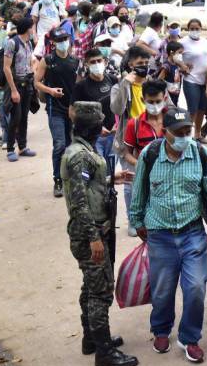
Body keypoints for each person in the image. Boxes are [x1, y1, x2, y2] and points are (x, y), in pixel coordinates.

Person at [128, 107, 207, 364]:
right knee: (162, 290)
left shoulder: (202, 155)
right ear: (165, 133)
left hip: (192, 233)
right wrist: (137, 221)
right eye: (179, 133)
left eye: (188, 131)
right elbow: (138, 191)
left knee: (195, 287)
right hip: (159, 234)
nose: (185, 137)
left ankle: (189, 337)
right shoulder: (149, 155)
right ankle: (161, 330)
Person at [61, 101, 138, 366]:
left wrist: (110, 180)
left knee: (91, 285)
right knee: (100, 291)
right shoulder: (79, 156)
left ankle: (92, 338)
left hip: (95, 229)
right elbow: (78, 202)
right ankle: (104, 352)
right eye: (100, 124)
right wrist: (94, 237)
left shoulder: (83, 150)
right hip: (89, 233)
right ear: (93, 126)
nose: (104, 128)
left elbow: (86, 185)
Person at [110, 45, 150, 235]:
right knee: (129, 182)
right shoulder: (120, 86)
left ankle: (148, 217)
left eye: (146, 63)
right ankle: (133, 220)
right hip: (128, 142)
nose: (144, 66)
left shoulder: (152, 84)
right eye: (140, 63)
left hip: (150, 140)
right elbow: (116, 109)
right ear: (130, 65)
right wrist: (126, 83)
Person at [35, 28, 78, 197]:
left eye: (65, 39)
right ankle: (58, 179)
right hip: (55, 109)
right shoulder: (47, 60)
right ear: (53, 42)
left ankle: (71, 177)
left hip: (72, 109)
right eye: (59, 40)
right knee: (59, 144)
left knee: (72, 144)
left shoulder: (75, 60)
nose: (63, 42)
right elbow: (37, 82)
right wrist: (50, 91)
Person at [72, 48, 118, 160]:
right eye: (92, 62)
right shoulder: (81, 86)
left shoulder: (113, 80)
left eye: (99, 61)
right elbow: (72, 114)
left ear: (105, 62)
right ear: (86, 64)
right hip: (93, 138)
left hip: (113, 135)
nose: (97, 64)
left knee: (113, 173)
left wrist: (118, 124)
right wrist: (96, 128)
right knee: (98, 172)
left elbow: (120, 106)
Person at [3, 17, 37, 162]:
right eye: (32, 27)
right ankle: (10, 148)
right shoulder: (12, 43)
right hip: (16, 85)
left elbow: (30, 62)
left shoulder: (28, 43)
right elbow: (6, 68)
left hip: (27, 84)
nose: (33, 29)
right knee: (15, 117)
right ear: (27, 28)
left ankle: (22, 147)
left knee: (24, 116)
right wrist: (13, 90)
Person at [123, 79, 168, 167]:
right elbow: (127, 153)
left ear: (164, 99)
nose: (155, 105)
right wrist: (140, 166)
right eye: (150, 102)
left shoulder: (173, 120)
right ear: (143, 100)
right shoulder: (134, 124)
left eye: (158, 101)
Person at [180, 18, 207, 143]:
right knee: (192, 109)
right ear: (188, 29)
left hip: (205, 81)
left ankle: (197, 135)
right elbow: (173, 56)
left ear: (201, 29)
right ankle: (187, 136)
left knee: (201, 109)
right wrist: (182, 65)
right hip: (191, 80)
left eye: (197, 28)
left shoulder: (206, 42)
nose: (194, 31)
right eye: (192, 29)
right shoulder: (183, 42)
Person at [158, 39, 186, 105]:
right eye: (179, 53)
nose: (181, 55)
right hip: (167, 98)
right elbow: (159, 80)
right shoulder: (166, 66)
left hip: (175, 95)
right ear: (172, 53)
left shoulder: (176, 64)